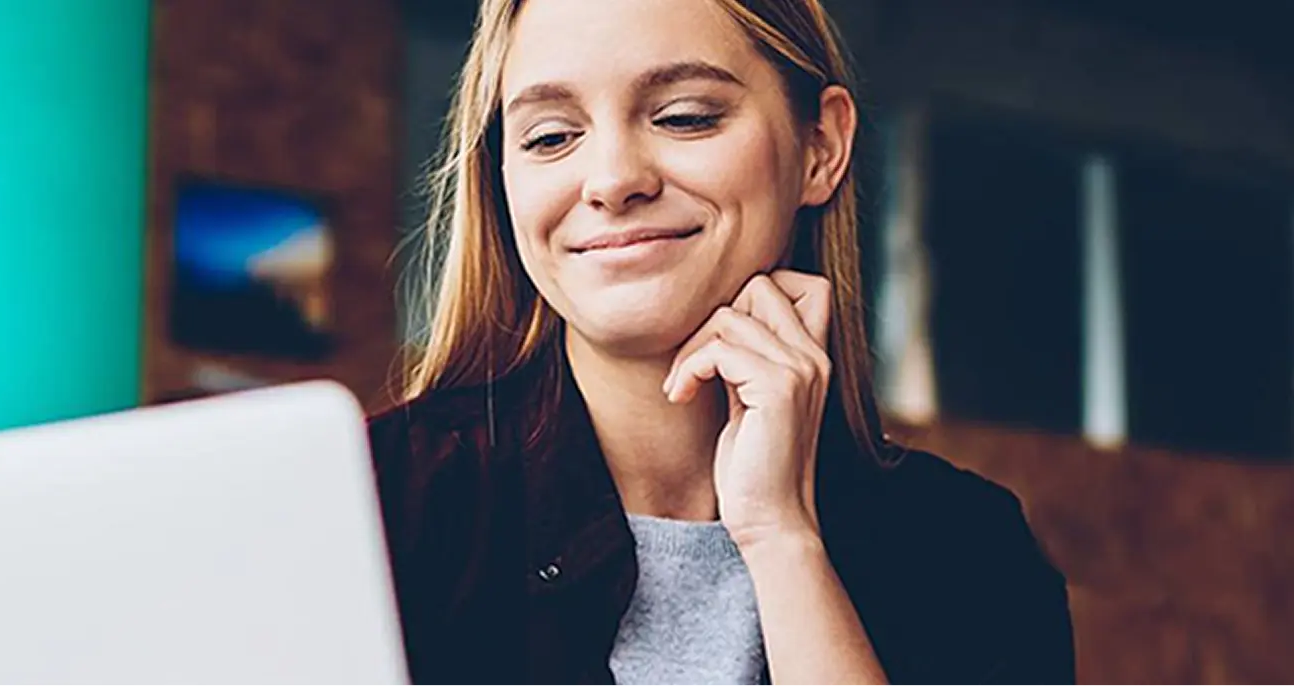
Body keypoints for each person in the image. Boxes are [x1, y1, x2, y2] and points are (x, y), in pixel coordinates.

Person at [368, 0, 1076, 683]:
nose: (613, 180)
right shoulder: (375, 505)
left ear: (819, 148)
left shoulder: (969, 553)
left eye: (685, 117)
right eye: (550, 136)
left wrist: (783, 540)